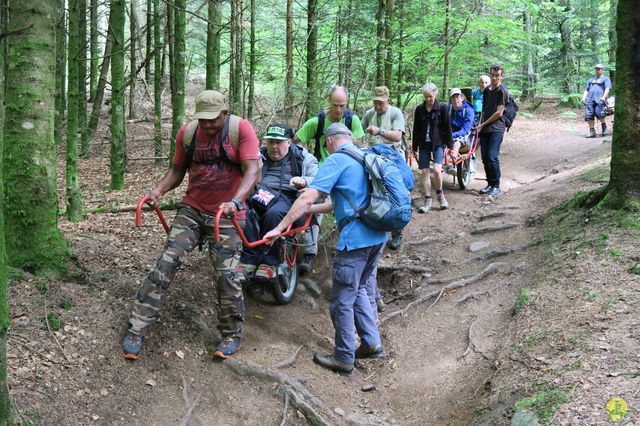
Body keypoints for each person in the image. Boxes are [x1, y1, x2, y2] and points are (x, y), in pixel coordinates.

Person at [121, 90, 261, 360]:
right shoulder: (188, 134)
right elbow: (177, 170)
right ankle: (136, 328)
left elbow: (252, 171)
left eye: (213, 120)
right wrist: (158, 190)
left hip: (227, 214)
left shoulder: (240, 129)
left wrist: (235, 202)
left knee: (227, 274)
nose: (207, 125)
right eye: (203, 120)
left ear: (224, 113)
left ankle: (231, 334)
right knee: (166, 263)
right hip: (193, 209)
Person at [264, 123, 386, 376]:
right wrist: (307, 211)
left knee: (341, 300)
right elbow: (336, 203)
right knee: (361, 287)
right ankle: (372, 342)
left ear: (329, 142)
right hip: (378, 235)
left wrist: (280, 227)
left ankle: (343, 357)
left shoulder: (336, 160)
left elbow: (308, 195)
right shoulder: (364, 157)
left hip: (355, 241)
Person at [294, 85, 366, 273]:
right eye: (335, 105)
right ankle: (310, 253)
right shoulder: (316, 123)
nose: (339, 110)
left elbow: (359, 149)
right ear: (329, 101)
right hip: (322, 171)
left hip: (346, 173)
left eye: (343, 105)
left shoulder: (352, 121)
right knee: (313, 203)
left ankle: (350, 251)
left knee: (351, 208)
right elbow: (294, 142)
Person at [236, 123, 318, 279]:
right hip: (260, 195)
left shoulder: (302, 157)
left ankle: (269, 262)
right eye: (270, 142)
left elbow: (320, 181)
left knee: (274, 213)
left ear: (289, 142)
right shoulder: (259, 156)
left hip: (288, 197)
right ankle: (248, 260)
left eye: (278, 142)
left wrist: (304, 181)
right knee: (244, 211)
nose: (274, 146)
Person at [361, 85, 407, 251]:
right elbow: (359, 133)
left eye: (381, 102)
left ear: (388, 100)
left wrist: (379, 131)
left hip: (392, 157)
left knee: (394, 194)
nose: (377, 106)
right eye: (375, 102)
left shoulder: (395, 113)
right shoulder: (369, 114)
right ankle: (373, 225)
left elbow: (397, 135)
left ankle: (397, 231)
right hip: (372, 158)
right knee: (370, 191)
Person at [412, 83, 454, 212]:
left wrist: (450, 146)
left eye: (430, 96)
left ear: (435, 94)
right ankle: (428, 200)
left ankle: (440, 196)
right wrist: (414, 147)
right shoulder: (420, 109)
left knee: (436, 170)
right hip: (424, 144)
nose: (428, 99)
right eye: (425, 97)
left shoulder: (442, 108)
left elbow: (448, 127)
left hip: (438, 143)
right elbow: (416, 129)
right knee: (425, 171)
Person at [476, 65, 510, 198]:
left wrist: (483, 124)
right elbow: (484, 111)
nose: (494, 78)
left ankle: (496, 186)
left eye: (497, 75)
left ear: (501, 76)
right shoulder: (486, 91)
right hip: (485, 128)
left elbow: (499, 113)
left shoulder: (503, 91)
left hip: (497, 128)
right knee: (484, 156)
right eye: (492, 75)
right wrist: (480, 125)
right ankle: (489, 184)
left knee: (492, 155)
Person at [581, 63, 612, 138]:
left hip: (600, 100)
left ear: (602, 70)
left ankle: (604, 127)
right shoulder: (591, 80)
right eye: (596, 69)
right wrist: (583, 97)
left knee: (600, 114)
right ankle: (592, 132)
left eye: (599, 69)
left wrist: (604, 97)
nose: (597, 70)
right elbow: (586, 90)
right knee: (589, 115)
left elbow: (607, 88)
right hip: (590, 100)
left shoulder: (605, 78)